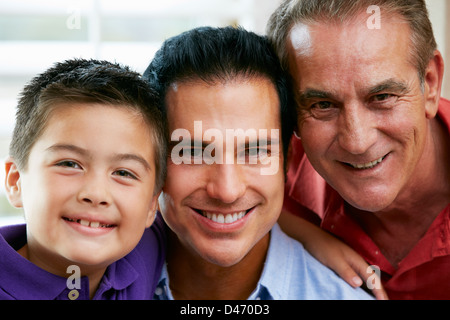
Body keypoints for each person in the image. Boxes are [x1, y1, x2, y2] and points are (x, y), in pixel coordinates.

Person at [143, 26, 373, 300]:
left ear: (287, 160)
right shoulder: (90, 278)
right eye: (193, 152)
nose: (227, 192)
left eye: (254, 152)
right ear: (152, 161)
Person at [267, 0, 450, 299]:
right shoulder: (264, 177)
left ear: (429, 84)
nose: (357, 141)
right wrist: (294, 233)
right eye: (323, 105)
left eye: (382, 96)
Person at [1, 58, 167, 300]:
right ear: (16, 181)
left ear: (153, 203)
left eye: (123, 173)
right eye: (69, 164)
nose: (96, 194)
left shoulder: (143, 250)